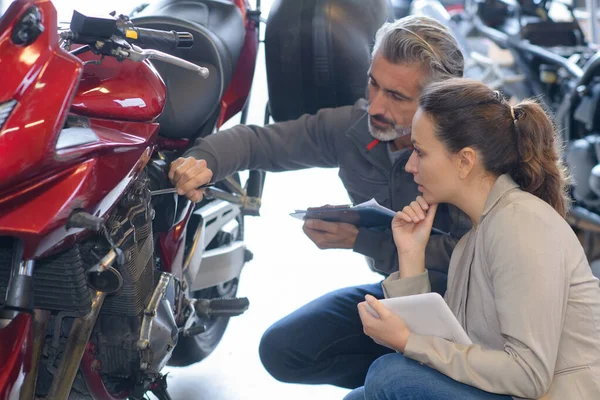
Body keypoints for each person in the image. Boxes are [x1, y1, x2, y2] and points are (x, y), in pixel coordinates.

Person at [169, 16, 471, 389]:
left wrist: (361, 241)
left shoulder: (471, 155)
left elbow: (472, 257)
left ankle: (411, 380)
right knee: (283, 351)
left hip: (473, 312)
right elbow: (258, 142)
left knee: (390, 380)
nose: (375, 106)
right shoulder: (355, 128)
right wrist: (202, 162)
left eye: (396, 97)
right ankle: (408, 379)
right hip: (403, 296)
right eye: (373, 84)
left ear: (438, 103)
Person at [345, 78, 600, 400]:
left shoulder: (521, 225)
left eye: (420, 152)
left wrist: (408, 341)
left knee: (389, 375)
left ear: (465, 161)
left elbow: (529, 375)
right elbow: (442, 353)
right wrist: (411, 253)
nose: (410, 166)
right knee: (363, 394)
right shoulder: (477, 237)